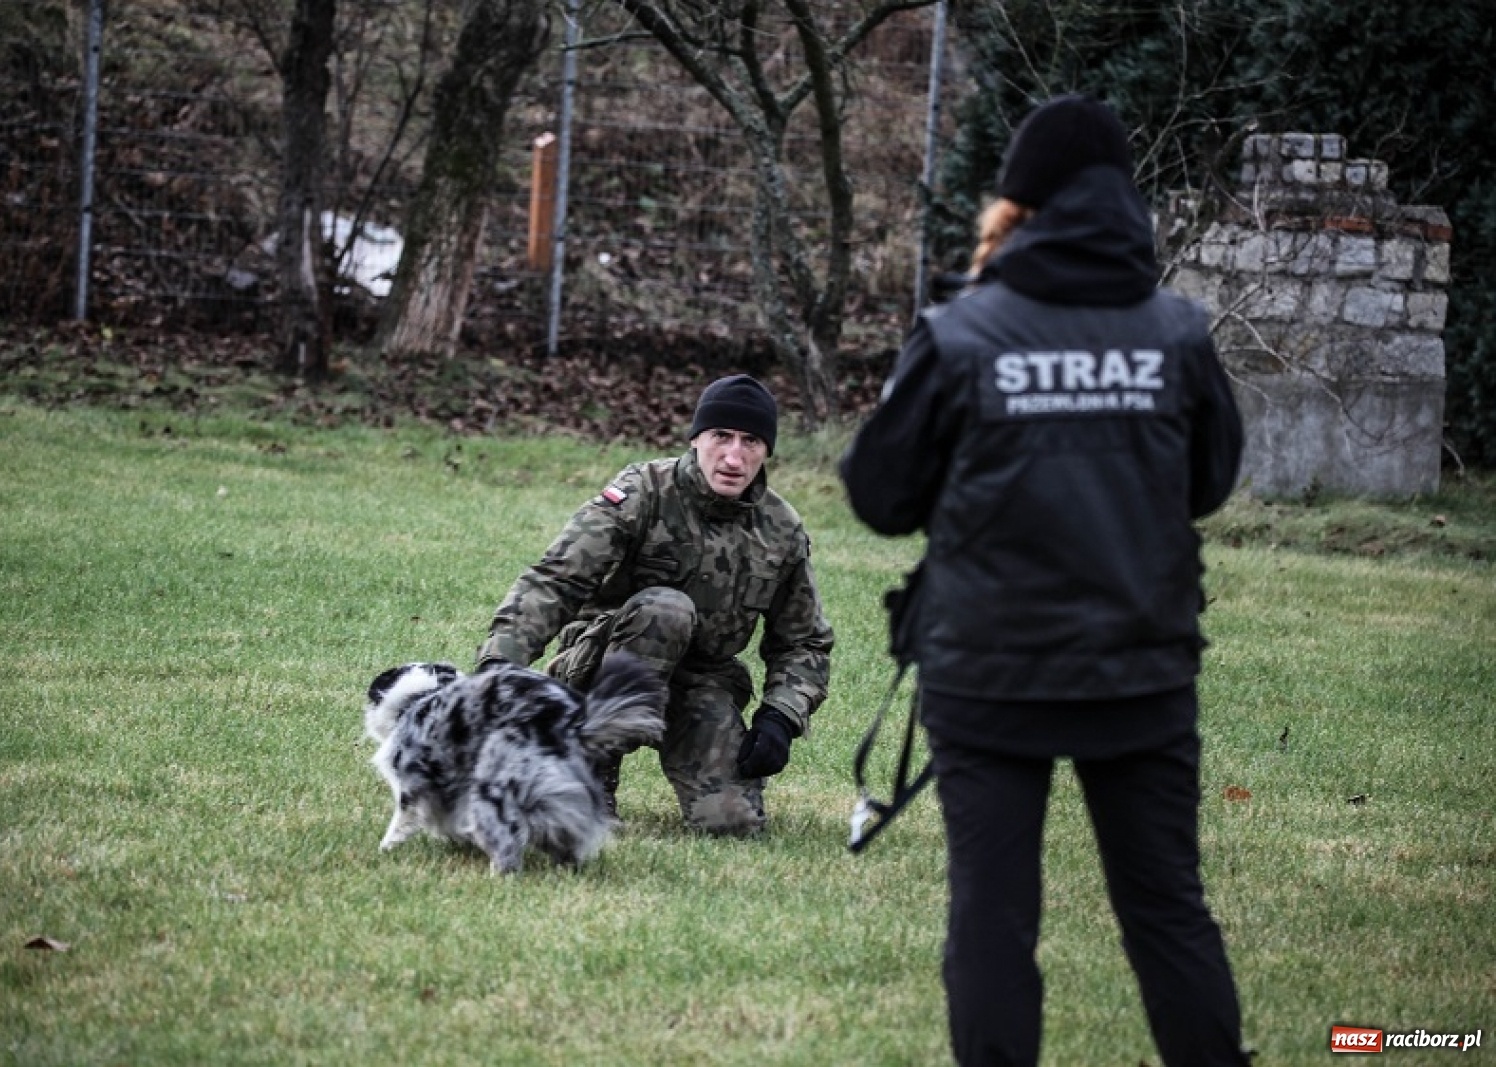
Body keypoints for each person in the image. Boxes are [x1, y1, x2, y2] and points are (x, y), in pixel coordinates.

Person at [840, 94, 1251, 1066]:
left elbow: (881, 494)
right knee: (1166, 908)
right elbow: (1209, 482)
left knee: (991, 914)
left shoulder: (962, 332)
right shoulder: (1177, 333)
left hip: (989, 673)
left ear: (1016, 204)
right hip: (1140, 670)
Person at [477, 374, 834, 835]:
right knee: (666, 610)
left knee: (732, 823)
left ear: (767, 450)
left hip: (701, 680)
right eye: (721, 436)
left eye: (751, 441)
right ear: (695, 438)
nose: (733, 456)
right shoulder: (643, 491)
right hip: (602, 667)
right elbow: (556, 580)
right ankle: (589, 770)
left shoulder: (781, 529)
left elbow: (804, 641)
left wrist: (781, 715)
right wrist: (498, 667)